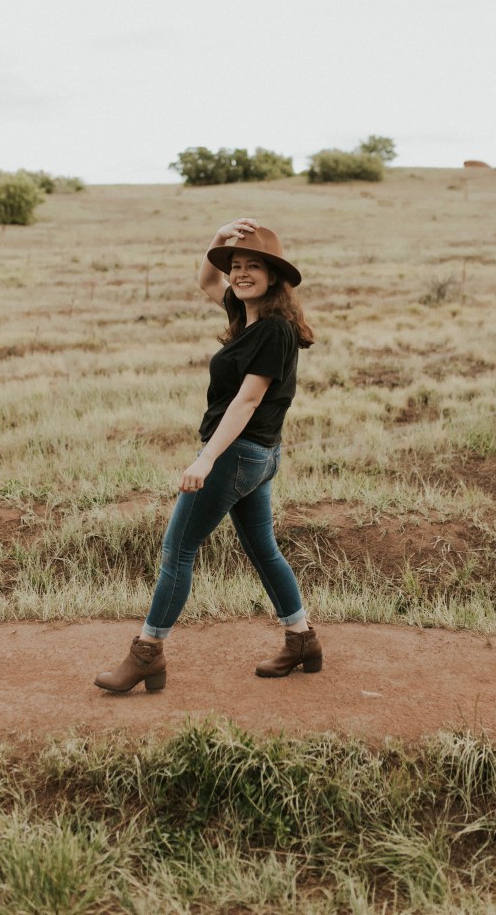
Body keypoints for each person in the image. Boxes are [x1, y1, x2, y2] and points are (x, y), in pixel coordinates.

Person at [94, 218, 322, 693]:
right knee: (263, 549)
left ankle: (148, 654)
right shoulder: (247, 316)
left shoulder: (273, 331)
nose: (240, 274)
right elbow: (206, 280)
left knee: (177, 551)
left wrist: (206, 459)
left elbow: (247, 401)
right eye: (235, 266)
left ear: (274, 276)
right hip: (257, 455)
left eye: (253, 266)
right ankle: (302, 640)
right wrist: (219, 238)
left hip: (236, 454)